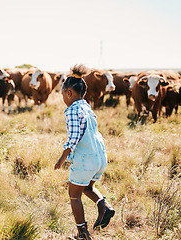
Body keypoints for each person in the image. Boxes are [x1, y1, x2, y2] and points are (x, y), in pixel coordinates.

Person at [54, 65, 115, 240]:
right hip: (100, 157)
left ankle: (82, 233)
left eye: (62, 94)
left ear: (69, 93)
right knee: (87, 186)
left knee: (74, 195)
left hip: (85, 159)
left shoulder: (72, 110)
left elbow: (73, 138)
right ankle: (103, 206)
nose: (63, 98)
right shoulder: (87, 108)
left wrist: (62, 158)